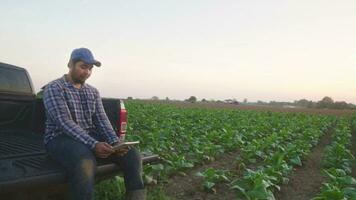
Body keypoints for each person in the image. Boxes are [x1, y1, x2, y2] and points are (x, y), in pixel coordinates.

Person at [43, 48, 145, 200]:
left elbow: (101, 120)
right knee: (85, 162)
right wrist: (94, 144)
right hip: (59, 138)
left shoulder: (93, 92)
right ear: (70, 64)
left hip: (88, 137)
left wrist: (115, 142)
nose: (87, 72)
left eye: (90, 69)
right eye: (83, 67)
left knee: (132, 155)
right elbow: (64, 122)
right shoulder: (55, 88)